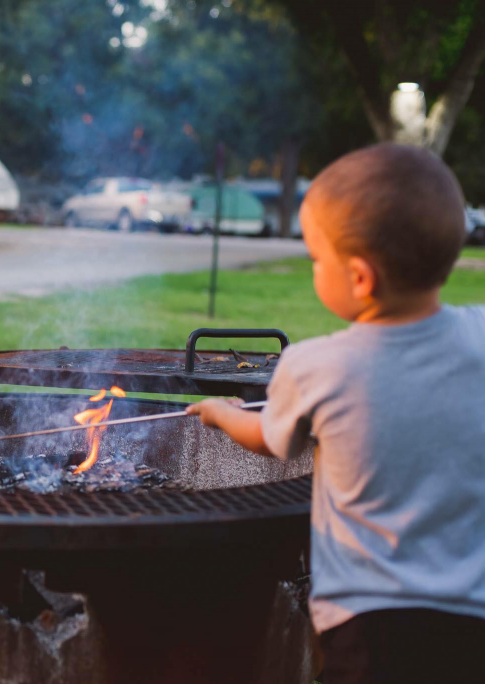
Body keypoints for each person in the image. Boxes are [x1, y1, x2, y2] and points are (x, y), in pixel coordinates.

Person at [187, 143, 485, 683]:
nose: (312, 269)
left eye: (316, 259)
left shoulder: (318, 365)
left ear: (361, 278)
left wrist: (221, 411)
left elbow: (268, 438)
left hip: (369, 623)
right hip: (471, 612)